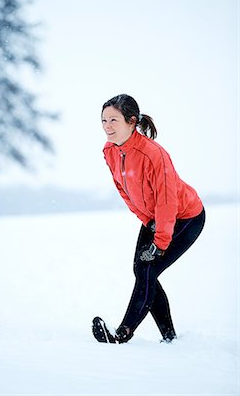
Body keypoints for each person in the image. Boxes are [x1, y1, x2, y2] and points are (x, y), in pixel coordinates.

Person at [92, 94, 205, 344]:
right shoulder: (110, 151)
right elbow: (123, 190)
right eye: (103, 120)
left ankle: (122, 333)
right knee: (143, 271)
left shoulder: (154, 154)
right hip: (156, 218)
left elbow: (167, 200)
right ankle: (170, 337)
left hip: (186, 216)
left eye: (113, 120)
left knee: (147, 269)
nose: (107, 126)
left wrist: (161, 242)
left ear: (132, 122)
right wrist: (148, 220)